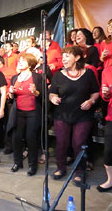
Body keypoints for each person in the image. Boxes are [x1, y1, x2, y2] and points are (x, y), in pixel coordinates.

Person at [49, 46, 99, 185]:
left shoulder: (88, 73)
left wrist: (91, 100)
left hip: (83, 115)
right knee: (62, 143)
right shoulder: (58, 75)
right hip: (62, 114)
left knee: (78, 143)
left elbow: (95, 92)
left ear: (77, 58)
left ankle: (79, 171)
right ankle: (61, 168)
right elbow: (52, 92)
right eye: (63, 56)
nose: (63, 59)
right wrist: (53, 98)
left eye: (67, 56)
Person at [8, 53, 42, 176]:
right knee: (16, 138)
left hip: (33, 112)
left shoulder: (37, 77)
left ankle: (33, 165)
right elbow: (11, 98)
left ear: (30, 64)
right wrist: (10, 93)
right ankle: (17, 162)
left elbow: (43, 94)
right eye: (19, 60)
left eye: (23, 61)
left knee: (31, 139)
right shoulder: (14, 77)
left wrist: (35, 92)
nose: (20, 62)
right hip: (18, 112)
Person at [97, 66, 112, 192]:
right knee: (109, 149)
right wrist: (106, 94)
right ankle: (110, 180)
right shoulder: (107, 71)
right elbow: (104, 96)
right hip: (111, 115)